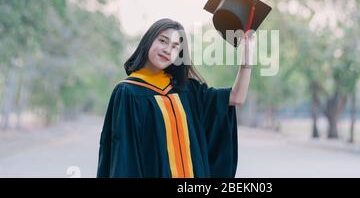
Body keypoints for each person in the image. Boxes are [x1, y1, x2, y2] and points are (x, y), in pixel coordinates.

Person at [97, 18, 254, 178]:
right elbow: (124, 156)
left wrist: (248, 55)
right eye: (163, 41)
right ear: (149, 40)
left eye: (174, 46)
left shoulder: (188, 91)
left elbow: (236, 98)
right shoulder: (128, 92)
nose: (167, 50)